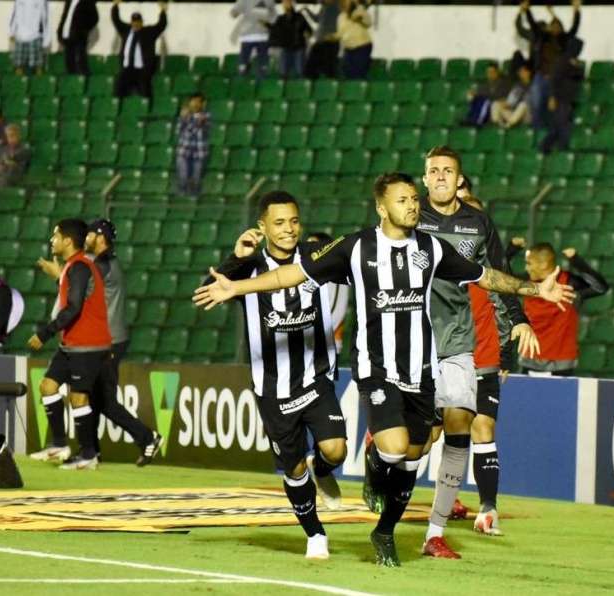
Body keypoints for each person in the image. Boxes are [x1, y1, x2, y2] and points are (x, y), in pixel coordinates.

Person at [193, 172, 574, 567]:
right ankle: (374, 467)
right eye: (403, 200)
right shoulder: (355, 248)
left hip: (421, 372)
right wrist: (235, 287)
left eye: (414, 198)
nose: (412, 205)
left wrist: (534, 289)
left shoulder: (431, 248)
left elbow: (484, 275)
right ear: (381, 207)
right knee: (392, 450)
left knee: (414, 454)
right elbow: (295, 272)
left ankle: (385, 530)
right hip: (377, 370)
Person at [205, 192, 347, 560]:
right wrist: (235, 258)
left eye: (294, 222)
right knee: (293, 465)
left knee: (335, 448)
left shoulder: (316, 260)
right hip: (274, 388)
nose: (288, 230)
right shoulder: (248, 268)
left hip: (316, 377)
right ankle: (315, 533)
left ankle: (325, 469)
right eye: (280, 223)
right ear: (262, 227)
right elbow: (214, 284)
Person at [416, 147, 540, 557]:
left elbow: (502, 286)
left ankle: (483, 510)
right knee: (423, 438)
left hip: (476, 349)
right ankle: (388, 469)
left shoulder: (480, 233)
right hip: (424, 342)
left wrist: (512, 336)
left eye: (449, 172)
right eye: (434, 171)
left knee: (475, 426)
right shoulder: (413, 221)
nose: (442, 178)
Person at [36, 219, 162, 466]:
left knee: (100, 400)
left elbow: (79, 293)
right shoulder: (100, 263)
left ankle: (139, 440)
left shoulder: (102, 265)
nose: (86, 239)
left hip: (107, 342)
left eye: (91, 234)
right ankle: (93, 451)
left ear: (101, 237)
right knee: (94, 399)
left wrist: (58, 274)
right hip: (103, 340)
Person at [27, 219, 110, 470]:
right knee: (48, 386)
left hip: (88, 344)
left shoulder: (81, 267)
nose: (52, 240)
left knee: (78, 398)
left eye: (55, 236)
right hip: (71, 343)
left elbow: (74, 308)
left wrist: (45, 332)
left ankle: (88, 455)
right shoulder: (73, 267)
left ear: (67, 240)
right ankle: (59, 445)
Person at [455, 186, 511, 536]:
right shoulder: (436, 265)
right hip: (445, 360)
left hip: (484, 359)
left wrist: (504, 354)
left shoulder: (493, 272)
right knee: (427, 439)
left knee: (483, 429)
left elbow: (506, 310)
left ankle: (488, 508)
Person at [519, 243, 609, 377]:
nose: (526, 268)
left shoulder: (569, 283)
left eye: (529, 263)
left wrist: (576, 261)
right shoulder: (525, 283)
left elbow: (600, 287)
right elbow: (496, 280)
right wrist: (511, 250)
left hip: (560, 364)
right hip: (528, 361)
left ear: (543, 264)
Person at [111, 0, 168, 99]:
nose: (136, 24)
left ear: (142, 22)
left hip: (142, 70)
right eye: (134, 21)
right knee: (118, 90)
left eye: (138, 21)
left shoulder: (148, 32)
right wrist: (115, 6)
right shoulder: (126, 30)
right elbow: (116, 20)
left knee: (145, 92)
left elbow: (161, 25)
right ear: (131, 22)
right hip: (127, 68)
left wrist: (163, 11)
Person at [307, 231, 350, 351]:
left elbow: (335, 309)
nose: (308, 250)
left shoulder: (333, 272)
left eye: (312, 245)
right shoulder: (314, 272)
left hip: (324, 346)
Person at [491, 63, 549, 130]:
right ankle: (499, 124)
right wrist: (501, 104)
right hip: (516, 115)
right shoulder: (518, 86)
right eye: (520, 72)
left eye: (522, 71)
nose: (520, 74)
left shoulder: (535, 85)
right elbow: (510, 102)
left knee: (523, 104)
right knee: (495, 104)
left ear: (528, 72)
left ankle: (508, 125)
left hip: (529, 116)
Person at [231, 0, 277, 79]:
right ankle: (243, 82)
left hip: (262, 36)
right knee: (244, 63)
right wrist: (235, 12)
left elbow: (274, 15)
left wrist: (268, 23)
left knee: (262, 64)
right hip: (248, 36)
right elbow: (233, 13)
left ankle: (261, 83)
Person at [176, 93, 211, 197]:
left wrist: (186, 118)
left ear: (202, 104)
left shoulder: (206, 115)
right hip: (184, 151)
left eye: (197, 101)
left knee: (197, 178)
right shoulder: (184, 115)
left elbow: (195, 128)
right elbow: (179, 131)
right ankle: (182, 197)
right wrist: (183, 118)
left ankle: (194, 198)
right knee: (183, 177)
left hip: (199, 152)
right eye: (193, 101)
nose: (195, 104)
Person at [271, 0, 313, 79]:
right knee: (283, 72)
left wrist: (308, 34)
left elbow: (309, 30)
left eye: (288, 2)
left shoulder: (300, 17)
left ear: (292, 4)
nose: (286, 4)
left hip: (299, 48)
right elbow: (274, 31)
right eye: (284, 3)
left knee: (300, 71)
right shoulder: (281, 19)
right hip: (285, 48)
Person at [462, 62, 513, 128]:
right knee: (477, 100)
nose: (490, 74)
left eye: (492, 72)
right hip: (486, 108)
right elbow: (477, 95)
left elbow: (508, 99)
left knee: (486, 102)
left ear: (497, 72)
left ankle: (477, 121)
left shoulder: (505, 84)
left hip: (496, 109)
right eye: (488, 72)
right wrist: (472, 94)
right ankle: (471, 119)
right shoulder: (484, 85)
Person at [57, 0, 99, 76]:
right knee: (69, 64)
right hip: (67, 37)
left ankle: (83, 82)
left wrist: (83, 30)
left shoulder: (87, 2)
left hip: (79, 38)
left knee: (80, 65)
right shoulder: (69, 1)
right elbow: (65, 16)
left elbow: (94, 18)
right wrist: (60, 31)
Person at [9, 0, 50, 76]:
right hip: (20, 36)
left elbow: (46, 19)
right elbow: (14, 14)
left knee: (38, 67)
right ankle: (20, 86)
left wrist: (46, 39)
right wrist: (11, 32)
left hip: (36, 36)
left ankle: (38, 86)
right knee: (18, 67)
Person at [302, 0, 341, 79]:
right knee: (312, 65)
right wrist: (306, 10)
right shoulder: (324, 7)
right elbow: (316, 19)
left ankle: (330, 83)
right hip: (320, 40)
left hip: (331, 41)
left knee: (329, 66)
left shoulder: (337, 6)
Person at [338, 0, 372, 80]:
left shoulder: (359, 11)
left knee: (358, 73)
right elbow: (341, 33)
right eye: (344, 2)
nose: (345, 4)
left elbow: (368, 23)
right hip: (348, 49)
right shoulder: (341, 17)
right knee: (347, 72)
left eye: (347, 2)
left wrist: (360, 20)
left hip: (362, 46)